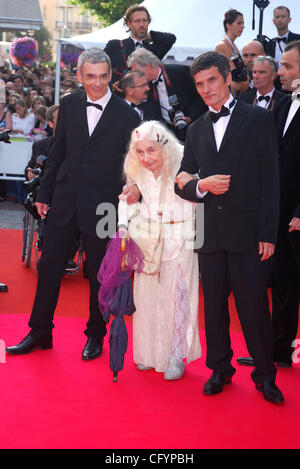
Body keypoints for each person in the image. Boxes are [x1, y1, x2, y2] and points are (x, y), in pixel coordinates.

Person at [6, 48, 140, 359]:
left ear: (111, 76)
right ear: (79, 76)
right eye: (90, 76)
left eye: (103, 76)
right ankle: (39, 331)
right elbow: (57, 152)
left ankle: (95, 335)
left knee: (98, 274)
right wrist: (44, 194)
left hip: (105, 204)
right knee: (49, 268)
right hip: (65, 200)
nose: (97, 83)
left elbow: (131, 165)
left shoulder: (128, 115)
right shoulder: (68, 105)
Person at [175, 51, 284, 404]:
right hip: (209, 231)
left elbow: (271, 179)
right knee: (215, 310)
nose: (206, 89)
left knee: (253, 307)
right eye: (200, 84)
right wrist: (203, 185)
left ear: (227, 79)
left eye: (211, 81)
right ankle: (220, 368)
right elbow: (183, 179)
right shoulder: (195, 129)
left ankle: (265, 374)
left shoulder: (257, 119)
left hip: (248, 232)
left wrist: (268, 232)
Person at [118, 120, 201, 379]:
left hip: (182, 240)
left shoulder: (183, 167)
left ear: (164, 147)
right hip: (148, 242)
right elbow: (126, 201)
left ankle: (176, 356)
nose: (145, 157)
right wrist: (122, 231)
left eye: (151, 150)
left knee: (178, 298)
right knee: (145, 298)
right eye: (140, 152)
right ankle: (146, 353)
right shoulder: (137, 171)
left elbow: (201, 197)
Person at [237, 40, 300, 369]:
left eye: (287, 67)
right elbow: (272, 158)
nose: (281, 73)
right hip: (280, 213)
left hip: (298, 214)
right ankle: (278, 351)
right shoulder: (287, 103)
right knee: (284, 285)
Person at [127, 48, 207, 140]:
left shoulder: (180, 72)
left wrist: (190, 117)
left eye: (137, 71)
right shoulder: (145, 87)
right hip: (171, 136)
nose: (136, 75)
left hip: (196, 130)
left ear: (148, 64)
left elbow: (202, 96)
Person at [104, 4, 176, 85]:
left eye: (144, 20)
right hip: (121, 96)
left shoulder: (153, 50)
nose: (141, 25)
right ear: (128, 24)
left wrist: (151, 36)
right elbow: (99, 69)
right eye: (137, 21)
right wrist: (112, 86)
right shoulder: (115, 45)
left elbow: (171, 38)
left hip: (148, 95)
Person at [215, 9, 249, 97]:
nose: (243, 26)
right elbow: (235, 74)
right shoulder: (223, 46)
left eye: (243, 23)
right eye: (239, 23)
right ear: (228, 25)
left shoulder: (234, 46)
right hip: (228, 93)